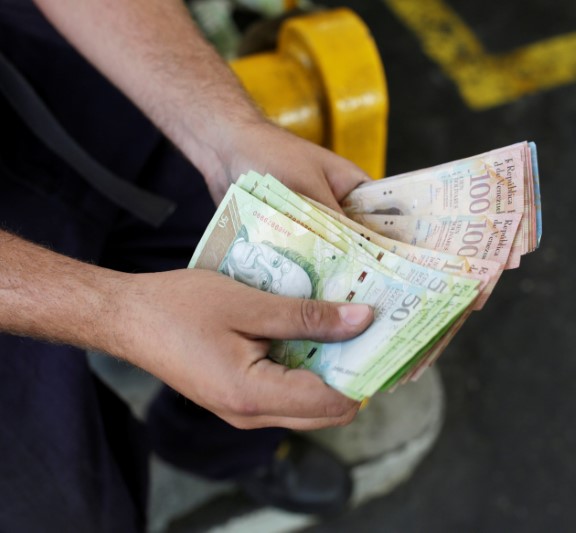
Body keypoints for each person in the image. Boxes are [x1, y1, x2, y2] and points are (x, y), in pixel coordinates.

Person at [0, 0, 375, 530]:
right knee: (68, 513)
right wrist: (116, 312)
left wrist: (227, 130)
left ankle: (219, 443)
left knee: (280, 273)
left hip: (25, 71)